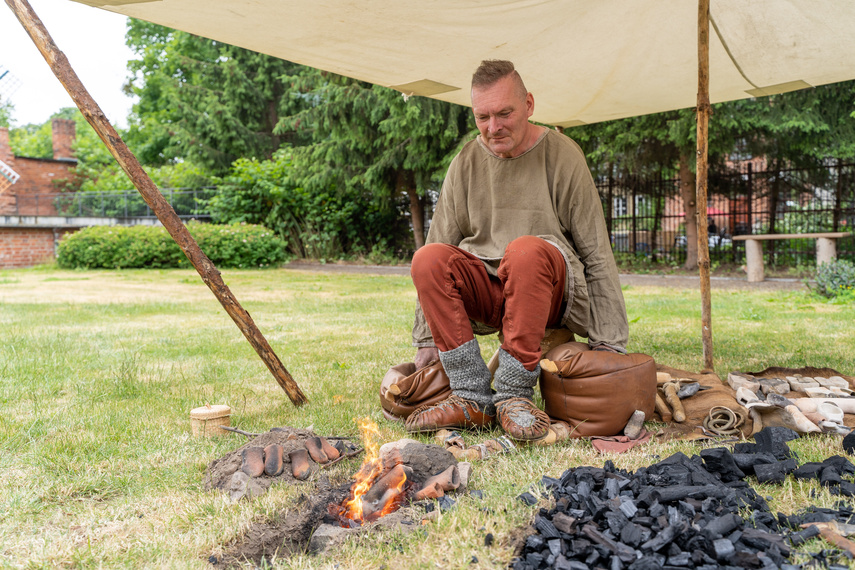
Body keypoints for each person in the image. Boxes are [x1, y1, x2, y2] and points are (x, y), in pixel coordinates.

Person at [407, 60, 629, 441]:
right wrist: (426, 339)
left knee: (524, 252)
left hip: (546, 287)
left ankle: (513, 394)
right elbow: (438, 242)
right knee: (426, 259)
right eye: (483, 117)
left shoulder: (564, 156)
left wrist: (608, 339)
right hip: (491, 290)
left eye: (504, 113)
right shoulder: (465, 163)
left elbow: (595, 250)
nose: (493, 127)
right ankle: (471, 396)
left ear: (528, 105)